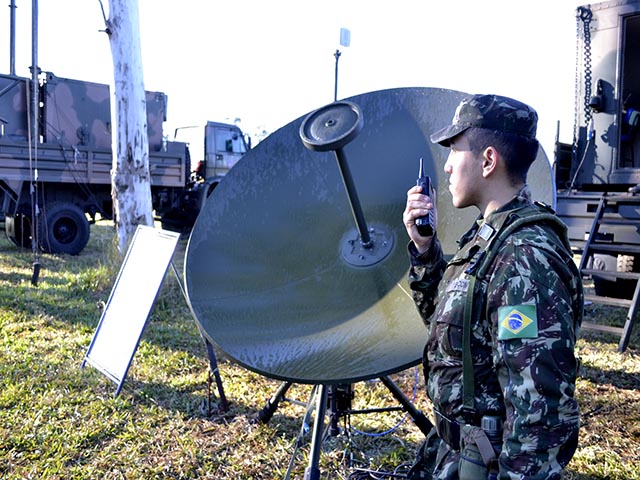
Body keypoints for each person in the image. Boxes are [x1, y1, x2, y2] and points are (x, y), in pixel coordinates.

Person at [403, 94, 583, 479]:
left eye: (454, 150)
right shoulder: (491, 238)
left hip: (486, 465)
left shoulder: (523, 258)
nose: (447, 166)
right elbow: (455, 331)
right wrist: (424, 249)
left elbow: (539, 417)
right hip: (457, 453)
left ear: (488, 161)